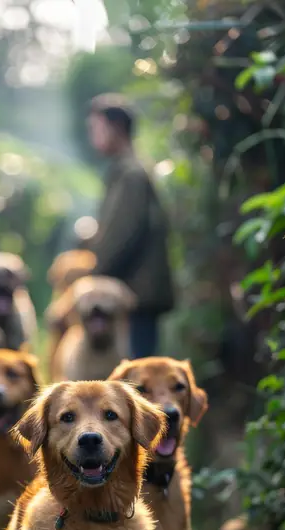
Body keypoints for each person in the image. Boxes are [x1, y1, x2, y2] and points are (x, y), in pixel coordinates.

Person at [86, 93, 174, 358]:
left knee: (135, 378)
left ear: (115, 127)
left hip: (135, 294)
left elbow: (122, 233)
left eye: (96, 128)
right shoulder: (127, 170)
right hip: (134, 291)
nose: (93, 136)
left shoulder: (131, 173)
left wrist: (94, 277)